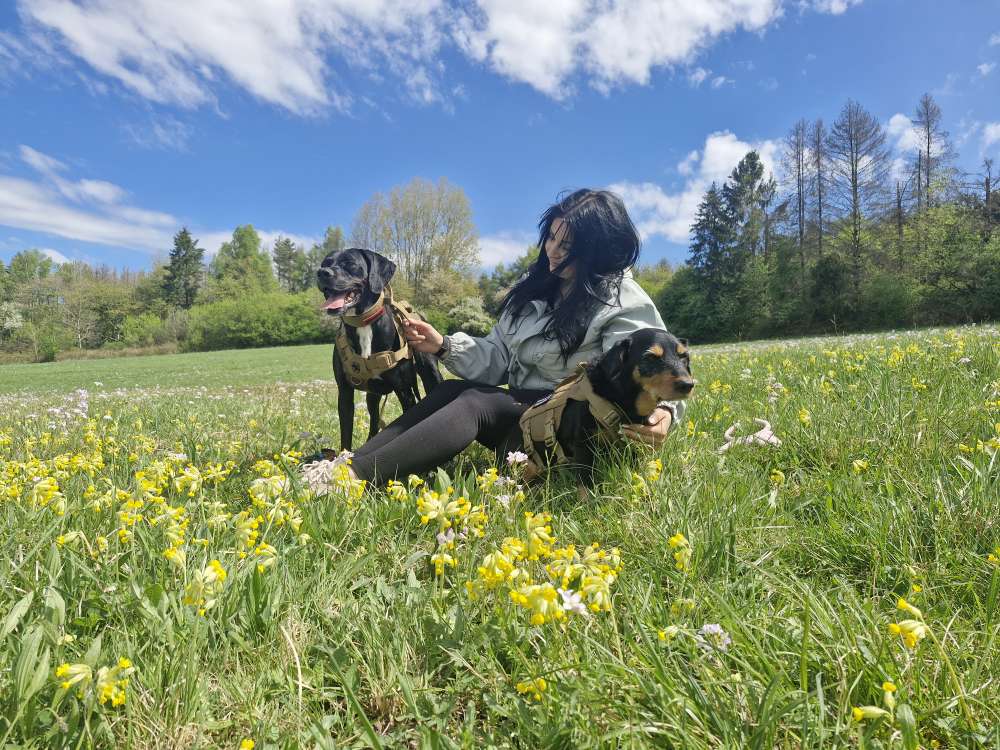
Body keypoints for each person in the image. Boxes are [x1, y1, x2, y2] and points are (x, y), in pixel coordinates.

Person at [342, 188, 684, 484]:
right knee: (450, 390)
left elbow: (655, 362)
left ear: (598, 251)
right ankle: (346, 464)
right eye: (551, 237)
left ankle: (352, 480)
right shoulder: (535, 290)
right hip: (525, 416)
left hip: (573, 432)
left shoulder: (622, 299)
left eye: (568, 246)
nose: (553, 250)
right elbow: (498, 358)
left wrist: (665, 412)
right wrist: (443, 345)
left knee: (476, 403)